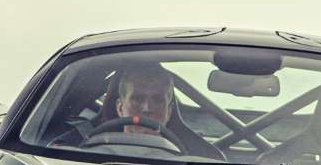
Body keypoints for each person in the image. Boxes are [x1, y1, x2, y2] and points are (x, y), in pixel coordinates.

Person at [80, 62, 224, 159]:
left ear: (168, 112)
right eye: (137, 99)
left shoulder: (189, 164)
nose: (146, 109)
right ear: (120, 107)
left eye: (157, 100)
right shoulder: (86, 157)